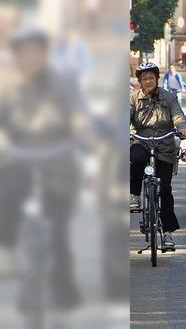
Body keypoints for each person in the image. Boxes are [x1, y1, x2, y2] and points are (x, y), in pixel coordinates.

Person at [0, 26, 89, 309]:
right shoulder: (8, 87)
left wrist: (84, 135)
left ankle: (64, 286)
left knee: (58, 228)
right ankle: (8, 250)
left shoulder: (63, 83)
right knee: (8, 194)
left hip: (58, 161)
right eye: (23, 53)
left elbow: (79, 117)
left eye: (35, 52)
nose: (29, 58)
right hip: (18, 159)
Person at [130, 62, 186, 249]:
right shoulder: (133, 99)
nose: (148, 81)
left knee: (165, 189)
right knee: (137, 158)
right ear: (140, 81)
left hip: (165, 143)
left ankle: (168, 234)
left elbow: (178, 115)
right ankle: (134, 196)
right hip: (142, 140)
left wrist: (182, 129)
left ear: (156, 79)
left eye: (151, 78)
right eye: (144, 78)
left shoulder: (169, 97)